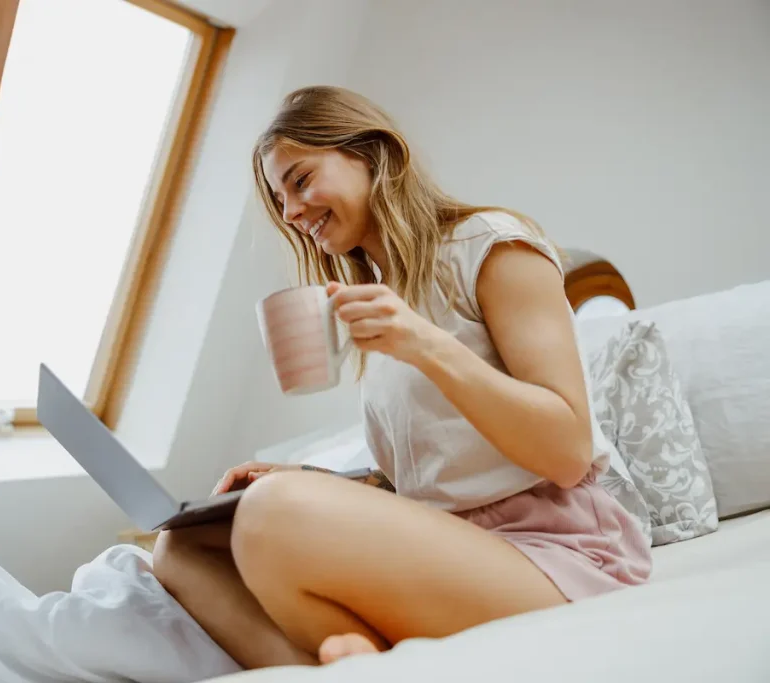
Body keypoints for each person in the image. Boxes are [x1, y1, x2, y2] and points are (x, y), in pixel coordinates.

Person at [151, 85, 651, 669]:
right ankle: (348, 663)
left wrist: (425, 343)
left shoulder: (492, 248)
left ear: (369, 153)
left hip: (557, 551)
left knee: (272, 513)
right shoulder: (385, 294)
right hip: (450, 542)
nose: (289, 212)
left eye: (300, 180)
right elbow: (435, 478)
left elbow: (566, 451)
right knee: (180, 549)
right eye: (278, 197)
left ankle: (353, 655)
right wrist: (312, 478)